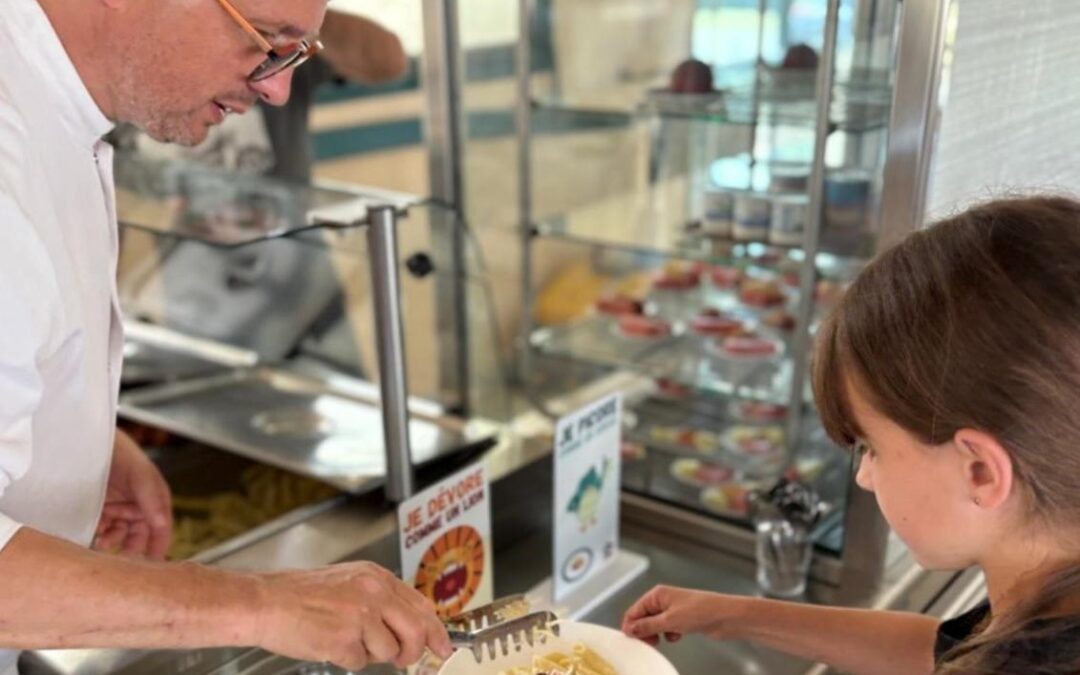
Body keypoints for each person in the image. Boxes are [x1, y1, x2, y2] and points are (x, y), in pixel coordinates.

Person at [0, 0, 451, 673]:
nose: (276, 88)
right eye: (266, 39)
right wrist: (260, 604)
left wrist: (76, 432)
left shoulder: (58, 101)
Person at [621, 196, 1080, 674]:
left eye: (873, 448)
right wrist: (731, 615)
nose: (863, 476)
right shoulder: (1047, 607)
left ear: (980, 471)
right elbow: (939, 651)